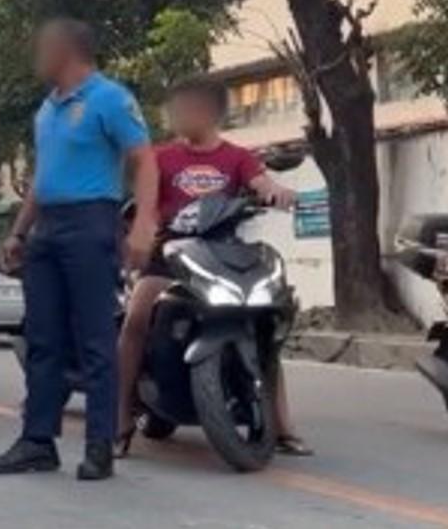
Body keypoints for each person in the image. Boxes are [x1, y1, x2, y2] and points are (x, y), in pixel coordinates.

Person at [0, 18, 158, 482]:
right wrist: (20, 232)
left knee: (95, 337)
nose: (39, 56)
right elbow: (42, 177)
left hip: (92, 220)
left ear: (70, 51)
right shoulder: (47, 110)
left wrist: (142, 225)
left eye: (46, 47)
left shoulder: (110, 98)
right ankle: (38, 441)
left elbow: (144, 160)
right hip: (48, 229)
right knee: (43, 339)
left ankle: (100, 444)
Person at [114, 77, 310, 458]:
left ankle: (283, 425)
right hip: (169, 254)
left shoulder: (237, 156)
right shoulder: (160, 157)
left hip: (225, 253)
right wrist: (142, 233)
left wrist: (277, 192)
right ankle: (120, 418)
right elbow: (147, 203)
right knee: (136, 316)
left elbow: (261, 182)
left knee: (265, 324)